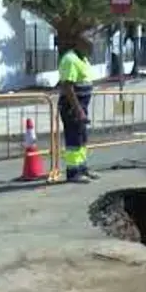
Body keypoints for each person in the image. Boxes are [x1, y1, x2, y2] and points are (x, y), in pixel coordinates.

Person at [58, 34, 100, 183]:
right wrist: (78, 110)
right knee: (74, 139)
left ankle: (83, 168)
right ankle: (73, 172)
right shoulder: (70, 60)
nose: (91, 50)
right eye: (89, 47)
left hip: (82, 105)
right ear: (79, 44)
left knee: (82, 138)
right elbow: (67, 87)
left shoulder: (82, 58)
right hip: (72, 106)